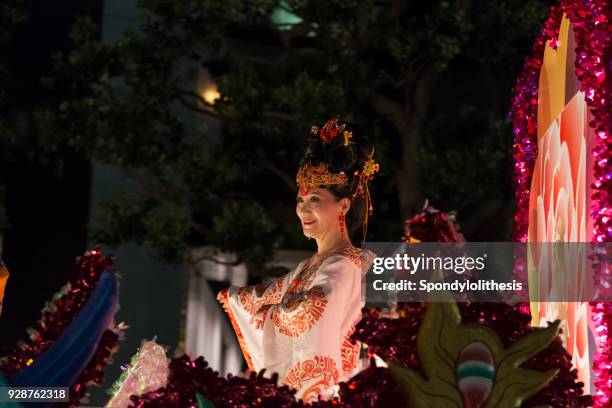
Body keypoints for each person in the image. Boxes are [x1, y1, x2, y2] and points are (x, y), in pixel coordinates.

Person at [217, 117, 379, 402]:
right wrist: (235, 298)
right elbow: (274, 291)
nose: (303, 209)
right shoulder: (309, 265)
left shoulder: (344, 263)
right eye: (300, 201)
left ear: (343, 205)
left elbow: (315, 306)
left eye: (315, 199)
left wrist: (266, 313)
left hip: (325, 391)